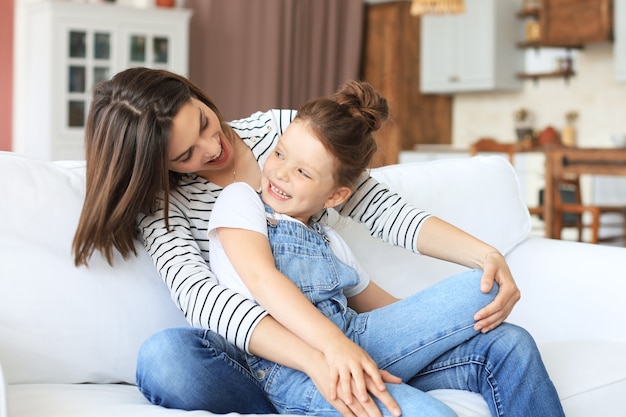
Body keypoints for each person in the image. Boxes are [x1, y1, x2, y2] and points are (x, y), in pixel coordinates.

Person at [72, 67, 563, 417]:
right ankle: (315, 395)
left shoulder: (281, 135)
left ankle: (347, 386)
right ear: (158, 165)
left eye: (203, 122)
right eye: (185, 155)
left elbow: (381, 212)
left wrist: (485, 254)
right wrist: (322, 357)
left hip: (347, 340)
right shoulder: (175, 206)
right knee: (165, 358)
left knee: (507, 342)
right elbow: (210, 301)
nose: (212, 147)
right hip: (262, 358)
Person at [206, 80, 565, 416]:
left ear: (335, 196)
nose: (281, 173)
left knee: (508, 337)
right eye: (280, 154)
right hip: (295, 366)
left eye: (303, 172)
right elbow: (261, 280)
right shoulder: (242, 201)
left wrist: (447, 328)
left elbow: (392, 316)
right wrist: (336, 346)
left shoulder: (330, 240)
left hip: (360, 347)